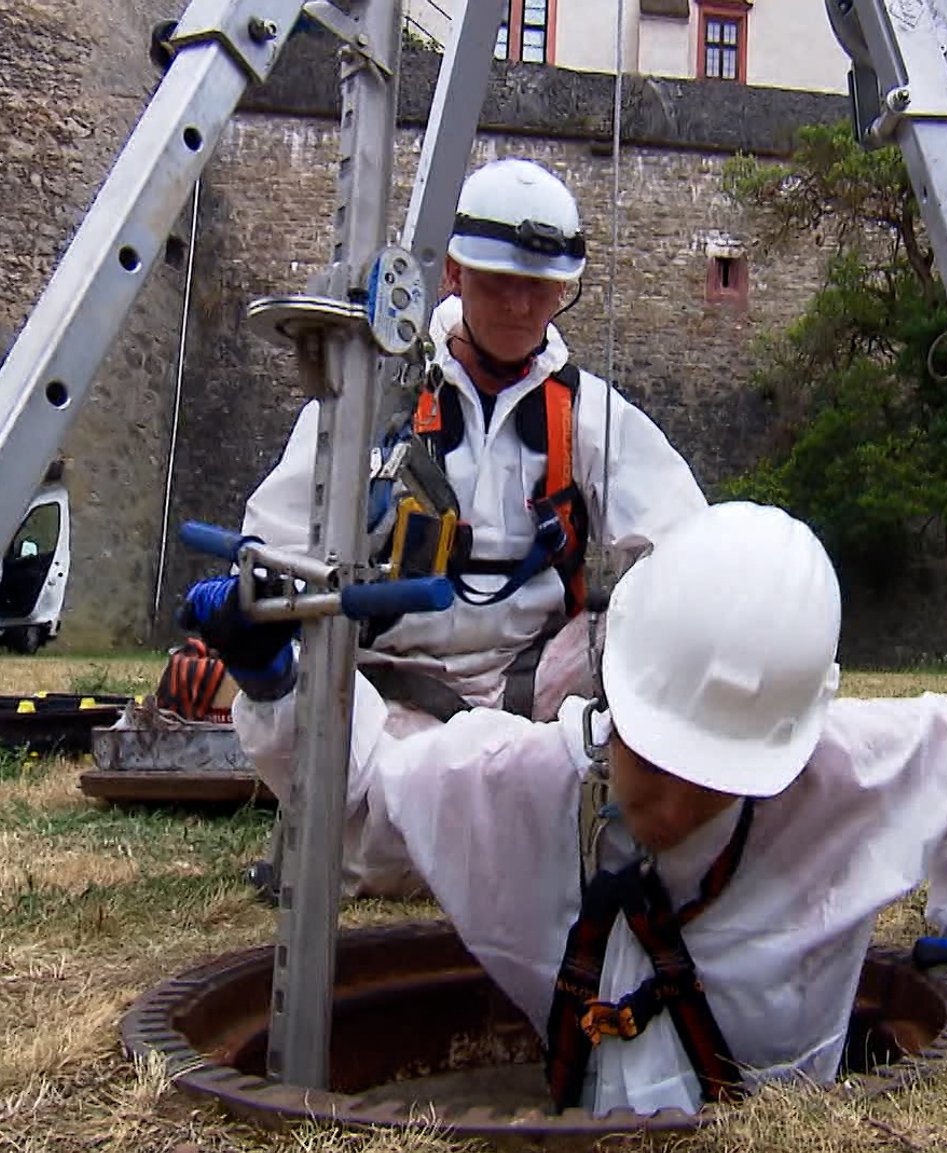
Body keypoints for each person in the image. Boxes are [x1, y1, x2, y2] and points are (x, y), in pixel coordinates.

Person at [182, 502, 947, 1117]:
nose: (675, 803)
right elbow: (372, 793)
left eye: (718, 773)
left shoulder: (847, 775)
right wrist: (278, 684)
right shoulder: (525, 781)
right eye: (661, 755)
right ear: (615, 692)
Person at [229, 157, 706, 896]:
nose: (521, 307)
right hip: (389, 689)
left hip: (537, 687)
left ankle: (489, 824)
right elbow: (277, 542)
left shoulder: (589, 413)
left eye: (540, 289)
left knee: (675, 624)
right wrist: (256, 619)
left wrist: (652, 630)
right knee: (278, 704)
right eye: (499, 283)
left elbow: (689, 542)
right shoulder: (376, 398)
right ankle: (417, 832)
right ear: (452, 275)